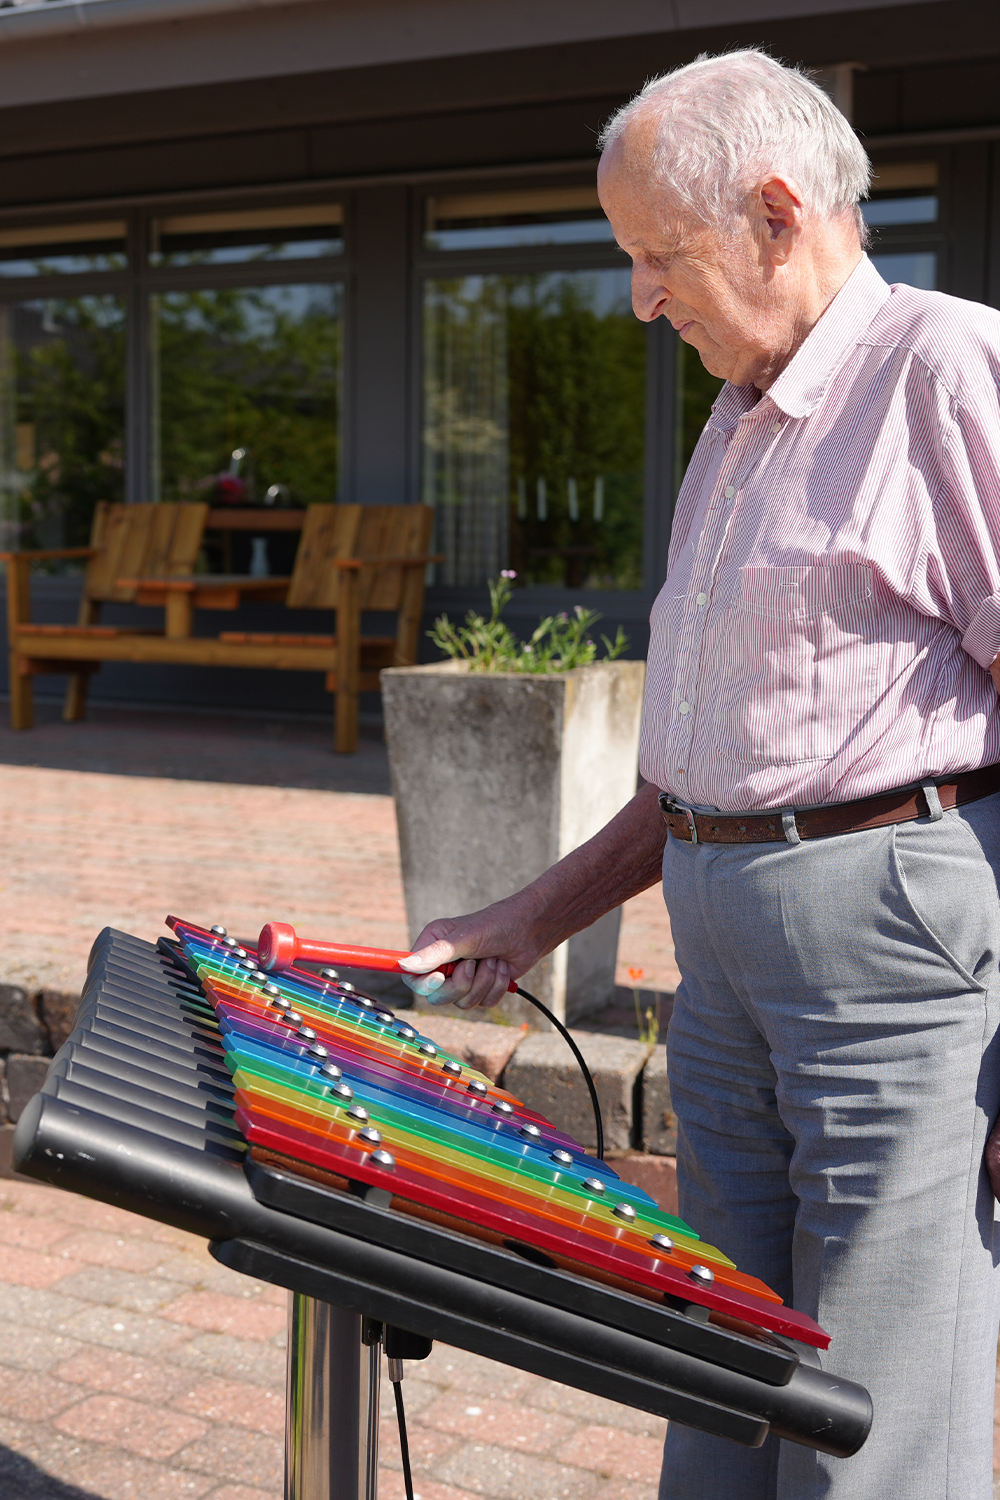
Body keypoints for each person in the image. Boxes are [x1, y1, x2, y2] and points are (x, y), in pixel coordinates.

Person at [398, 48, 1000, 1500]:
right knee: (721, 1340)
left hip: (889, 933)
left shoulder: (947, 367)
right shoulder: (739, 415)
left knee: (875, 1390)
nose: (638, 299)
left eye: (658, 257)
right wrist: (531, 914)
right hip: (718, 930)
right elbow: (706, 758)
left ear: (779, 216)